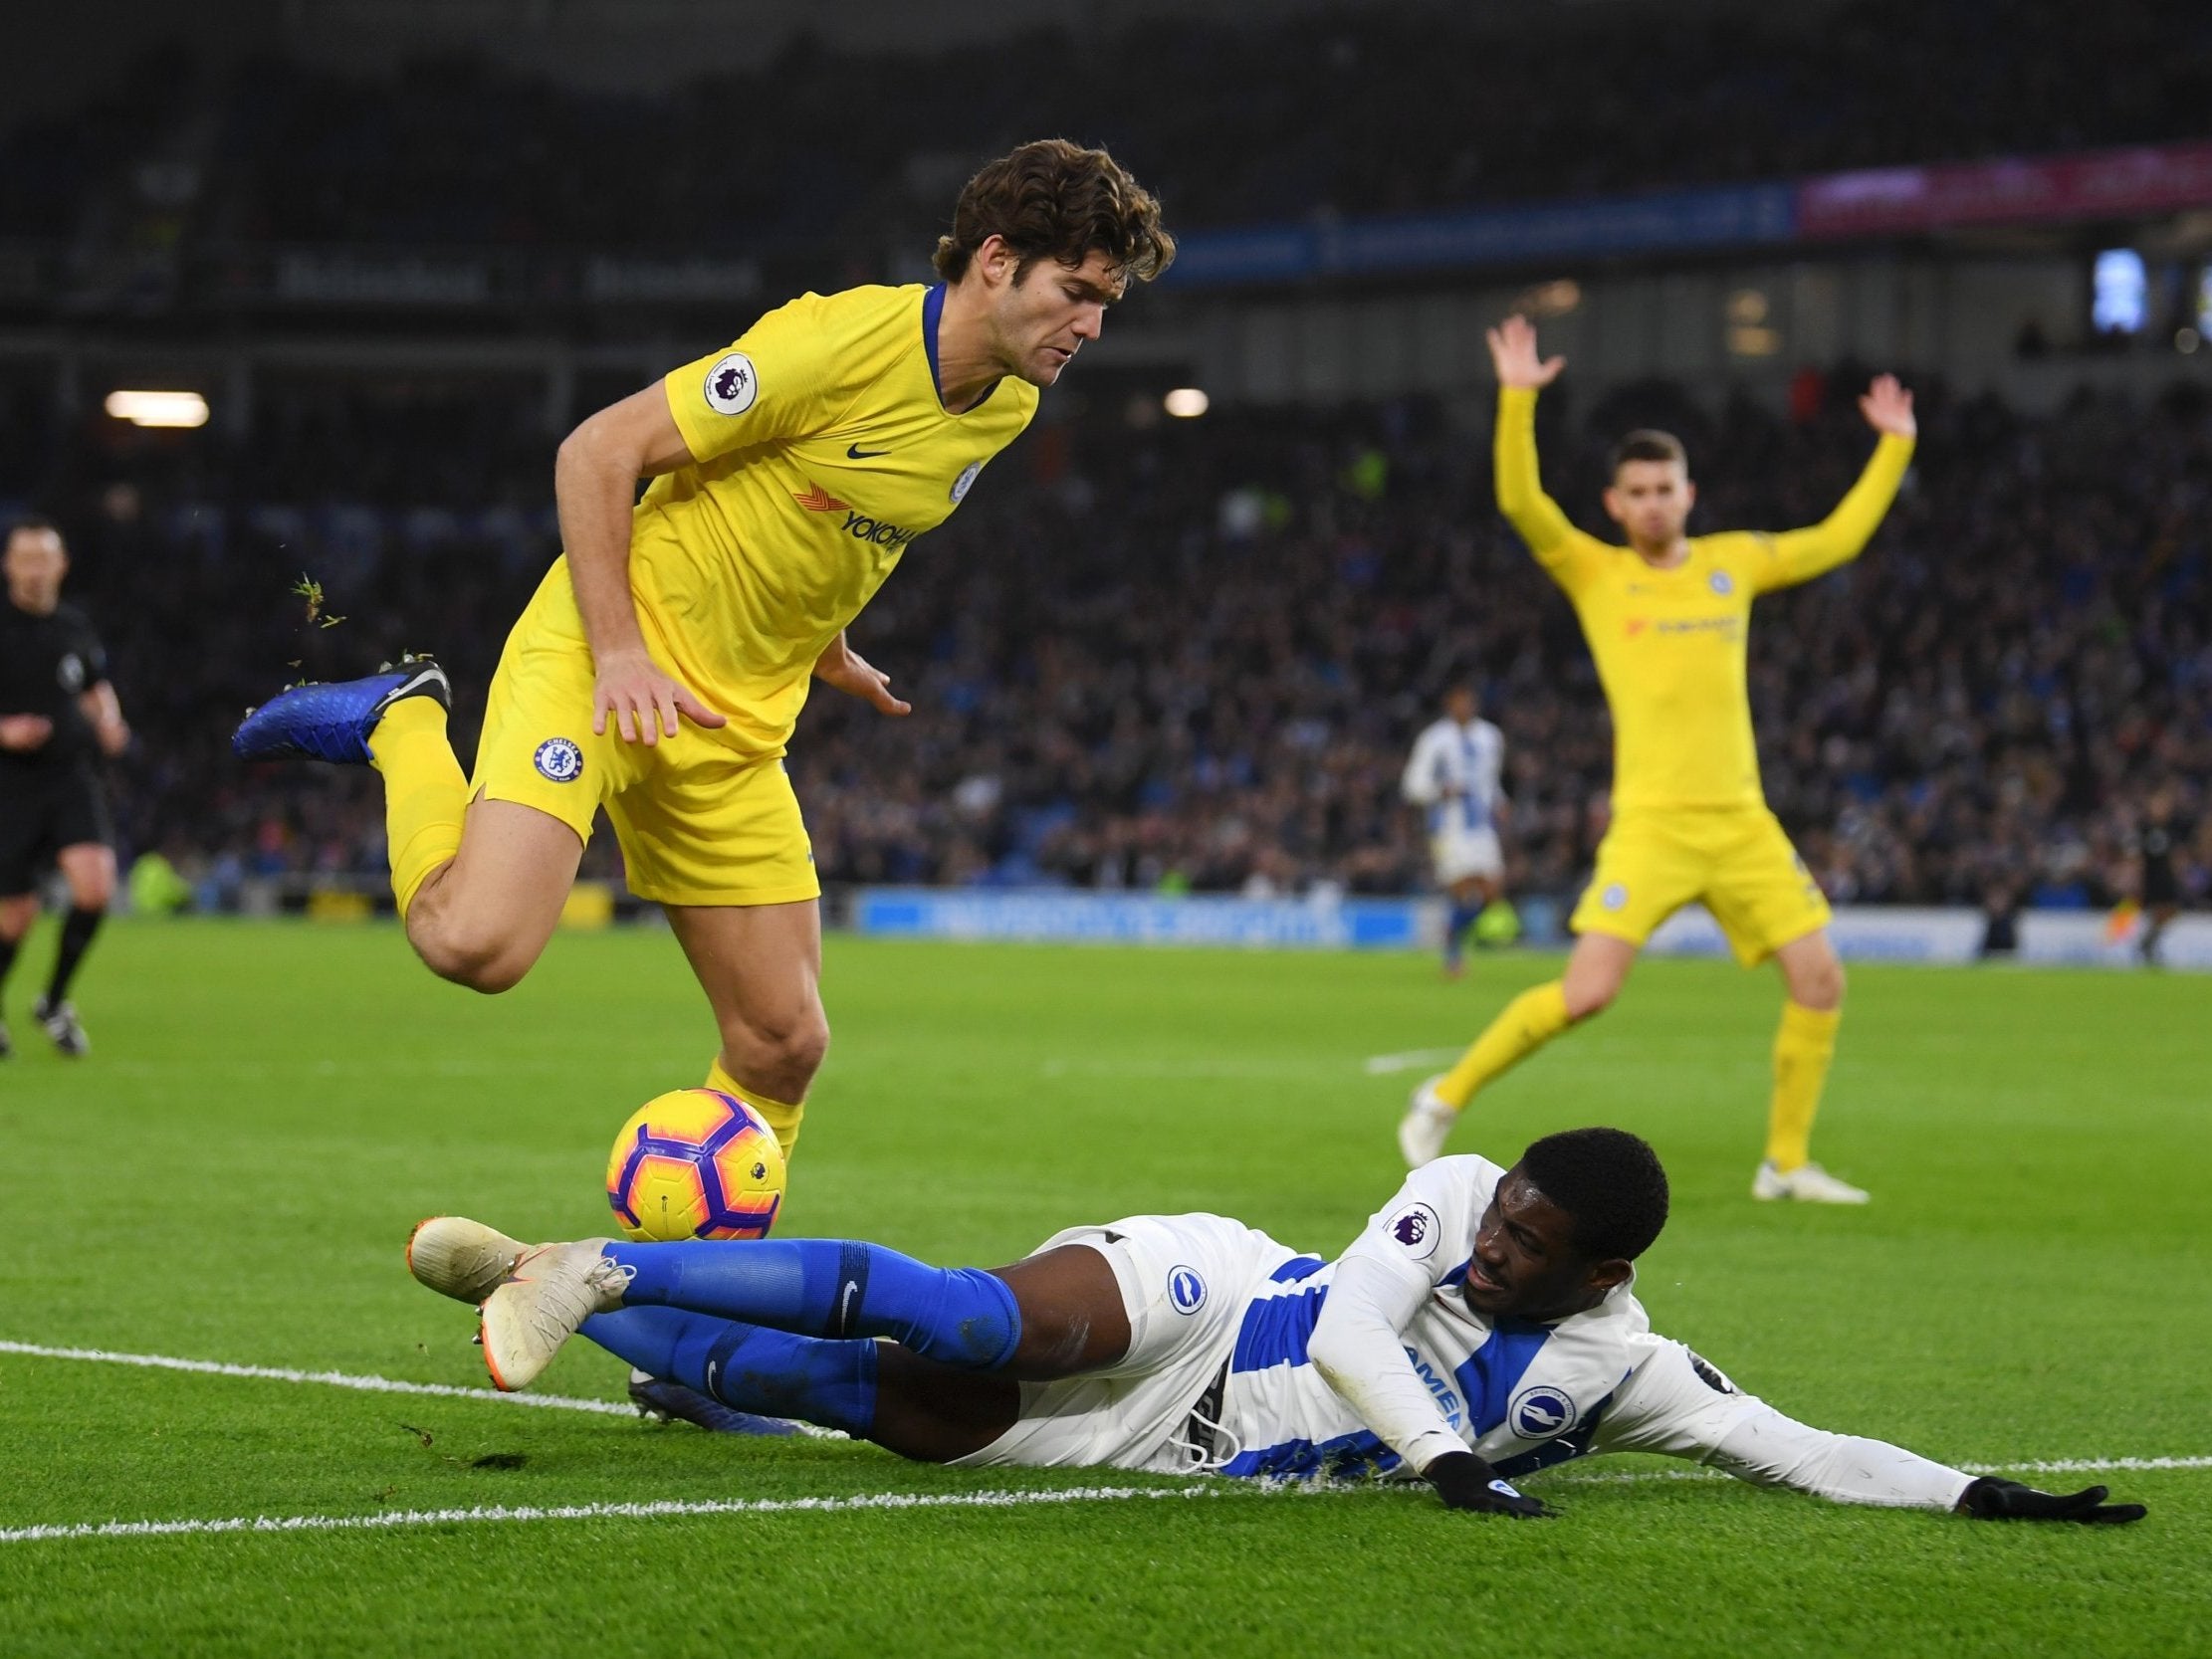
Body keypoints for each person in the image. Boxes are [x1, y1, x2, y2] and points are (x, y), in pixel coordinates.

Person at [235, 140, 1174, 1165]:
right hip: (604, 663)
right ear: (995, 259)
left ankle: (703, 1301)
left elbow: (843, 514)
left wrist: (825, 641)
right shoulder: (832, 343)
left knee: (783, 1042)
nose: (1091, 324)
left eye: (1105, 303)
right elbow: (596, 450)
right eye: (1076, 290)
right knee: (476, 944)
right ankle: (404, 720)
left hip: (730, 720)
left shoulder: (1007, 403)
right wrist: (620, 652)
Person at [405, 1127, 2141, 1526]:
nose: (1493, 1240)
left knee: (870, 1400)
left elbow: (1795, 1444)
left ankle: (527, 1273)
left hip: (1168, 1446)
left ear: (1599, 1277)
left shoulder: (1624, 1371)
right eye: (1503, 1211)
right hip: (1210, 1296)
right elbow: (1361, 1333)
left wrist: (1983, 1495)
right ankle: (607, 1269)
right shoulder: (1454, 1186)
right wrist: (1447, 1462)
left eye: (1533, 1244)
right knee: (969, 1314)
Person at [1401, 316, 1918, 1203]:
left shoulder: (1733, 564)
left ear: (1689, 493)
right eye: (1634, 490)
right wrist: (1519, 399)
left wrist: (1893, 449)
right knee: (1587, 992)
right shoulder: (1598, 573)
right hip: (1651, 826)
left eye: (1663, 487)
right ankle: (1443, 1095)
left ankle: (1784, 1164)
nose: (1649, 502)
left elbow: (1835, 540)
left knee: (1820, 977)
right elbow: (1524, 504)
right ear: (1613, 504)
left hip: (1742, 822)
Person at [0, 518, 130, 1057]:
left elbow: (97, 687)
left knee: (95, 888)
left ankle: (53, 1001)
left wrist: (110, 721)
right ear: (8, 566)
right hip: (9, 784)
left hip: (70, 776)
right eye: (24, 559)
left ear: (61, 565)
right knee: (15, 917)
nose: (33, 570)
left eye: (43, 559)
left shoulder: (74, 626)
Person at [1401, 683, 1510, 975]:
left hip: (1482, 826)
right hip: (1449, 826)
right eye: (1459, 702)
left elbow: (1491, 780)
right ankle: (1454, 955)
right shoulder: (1434, 740)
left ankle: (1453, 933)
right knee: (1462, 890)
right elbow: (1412, 786)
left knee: (1492, 890)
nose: (1465, 707)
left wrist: (1500, 801)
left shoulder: (1490, 737)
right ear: (1449, 705)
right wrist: (1441, 791)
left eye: (1469, 701)